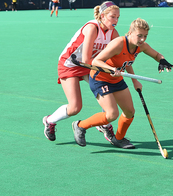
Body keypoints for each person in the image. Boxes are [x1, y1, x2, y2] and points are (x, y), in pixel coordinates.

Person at [72, 18, 173, 149]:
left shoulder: (141, 46)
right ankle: (80, 126)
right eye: (139, 36)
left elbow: (155, 55)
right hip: (100, 78)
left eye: (145, 36)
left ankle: (118, 139)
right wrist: (111, 69)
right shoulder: (119, 43)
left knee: (129, 111)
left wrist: (162, 60)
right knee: (111, 114)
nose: (142, 39)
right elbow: (96, 61)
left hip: (117, 79)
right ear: (130, 32)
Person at [43, 1, 120, 142]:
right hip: (70, 64)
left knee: (108, 94)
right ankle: (49, 120)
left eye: (117, 18)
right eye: (112, 17)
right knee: (75, 107)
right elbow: (85, 59)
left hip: (90, 66)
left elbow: (119, 54)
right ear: (103, 16)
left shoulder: (113, 33)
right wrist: (108, 69)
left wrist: (119, 67)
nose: (115, 21)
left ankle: (104, 123)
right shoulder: (92, 28)